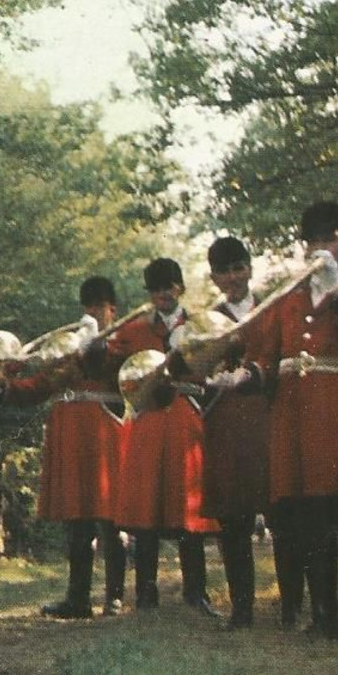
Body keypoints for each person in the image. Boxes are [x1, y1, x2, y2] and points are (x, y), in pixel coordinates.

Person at [242, 202, 338, 635]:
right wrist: (243, 377)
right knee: (311, 521)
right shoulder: (284, 302)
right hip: (297, 418)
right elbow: (265, 359)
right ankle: (323, 615)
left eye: (329, 239)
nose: (320, 249)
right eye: (312, 242)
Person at [0, 276, 129, 619]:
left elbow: (117, 368)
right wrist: (4, 388)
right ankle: (77, 598)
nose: (94, 313)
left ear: (112, 310)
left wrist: (96, 343)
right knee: (76, 518)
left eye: (100, 308)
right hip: (68, 430)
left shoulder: (119, 341)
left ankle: (115, 597)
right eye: (88, 307)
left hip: (104, 427)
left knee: (111, 516)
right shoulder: (68, 346)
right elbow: (41, 384)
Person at [107, 258, 219, 615]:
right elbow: (111, 364)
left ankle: (196, 593)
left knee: (189, 507)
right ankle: (145, 594)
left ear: (180, 287)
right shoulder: (135, 330)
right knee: (146, 508)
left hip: (186, 414)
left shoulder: (201, 324)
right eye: (156, 289)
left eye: (169, 287)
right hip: (148, 417)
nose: (163, 295)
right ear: (150, 294)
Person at [192, 237, 270, 630]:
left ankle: (291, 607)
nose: (233, 277)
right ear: (214, 277)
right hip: (225, 421)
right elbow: (193, 371)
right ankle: (242, 611)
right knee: (234, 519)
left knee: (284, 512)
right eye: (224, 271)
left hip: (269, 416)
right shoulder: (207, 320)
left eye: (238, 267)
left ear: (250, 268)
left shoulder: (272, 307)